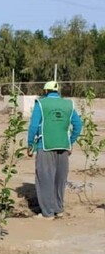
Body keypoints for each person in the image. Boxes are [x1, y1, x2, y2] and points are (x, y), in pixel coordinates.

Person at [27, 81, 82, 219]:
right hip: (63, 147)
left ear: (46, 91)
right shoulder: (68, 104)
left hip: (45, 146)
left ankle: (47, 213)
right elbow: (78, 124)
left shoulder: (41, 103)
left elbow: (34, 125)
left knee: (45, 179)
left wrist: (30, 144)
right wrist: (70, 142)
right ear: (57, 91)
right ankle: (59, 209)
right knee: (60, 179)